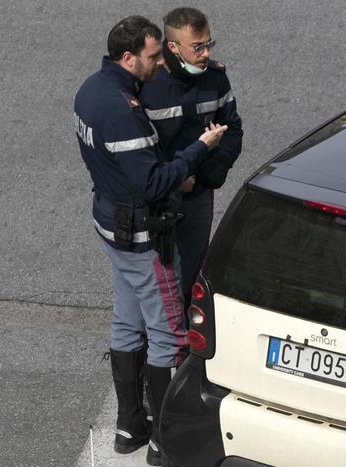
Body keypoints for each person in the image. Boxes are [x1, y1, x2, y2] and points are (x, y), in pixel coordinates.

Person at [75, 15, 228, 464]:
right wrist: (200, 149)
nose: (160, 62)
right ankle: (164, 437)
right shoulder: (125, 113)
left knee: (126, 322)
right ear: (128, 57)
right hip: (144, 237)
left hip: (110, 225)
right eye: (153, 55)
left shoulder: (90, 91)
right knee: (170, 334)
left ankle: (129, 423)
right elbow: (155, 182)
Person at [141, 7, 242, 315]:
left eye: (209, 44)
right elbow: (139, 149)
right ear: (173, 47)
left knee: (190, 277)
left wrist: (220, 163)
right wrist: (174, 177)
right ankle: (153, 351)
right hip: (157, 199)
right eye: (197, 47)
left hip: (198, 195)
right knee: (154, 283)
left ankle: (181, 347)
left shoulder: (215, 80)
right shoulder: (148, 86)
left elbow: (232, 128)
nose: (205, 53)